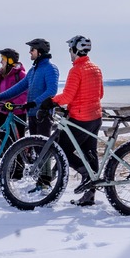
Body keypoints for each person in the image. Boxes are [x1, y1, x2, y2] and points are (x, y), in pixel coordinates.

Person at [51, 34, 104, 207]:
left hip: (80, 119)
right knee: (90, 153)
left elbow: (67, 96)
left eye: (70, 50)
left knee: (62, 150)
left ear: (75, 50)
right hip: (96, 117)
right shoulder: (96, 68)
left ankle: (86, 175)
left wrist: (51, 101)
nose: (69, 53)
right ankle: (90, 195)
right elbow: (100, 94)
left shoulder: (76, 70)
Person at [0, 38, 59, 139]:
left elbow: (52, 90)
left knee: (42, 149)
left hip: (43, 114)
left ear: (40, 52)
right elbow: (18, 88)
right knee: (34, 146)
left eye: (32, 49)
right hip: (32, 113)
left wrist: (35, 102)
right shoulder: (33, 70)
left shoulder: (50, 68)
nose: (30, 52)